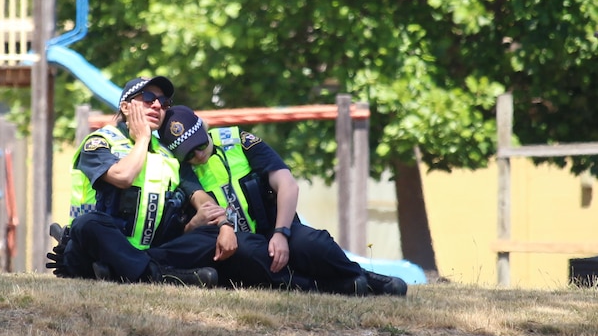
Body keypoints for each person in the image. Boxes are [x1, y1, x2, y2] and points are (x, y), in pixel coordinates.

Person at [159, 105, 408, 296]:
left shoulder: (239, 142)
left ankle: (363, 277)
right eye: (188, 154)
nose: (199, 154)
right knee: (250, 253)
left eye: (200, 144)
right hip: (239, 244)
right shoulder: (181, 170)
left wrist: (281, 233)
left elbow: (287, 184)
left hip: (275, 227)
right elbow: (204, 203)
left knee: (312, 243)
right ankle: (331, 286)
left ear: (205, 128)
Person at [46, 77, 236, 288]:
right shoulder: (100, 141)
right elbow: (123, 177)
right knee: (88, 224)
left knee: (208, 236)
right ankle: (161, 276)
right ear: (125, 107)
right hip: (94, 249)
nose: (157, 105)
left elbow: (201, 199)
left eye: (164, 102)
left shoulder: (168, 153)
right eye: (148, 98)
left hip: (149, 251)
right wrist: (143, 138)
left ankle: (123, 272)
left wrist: (224, 225)